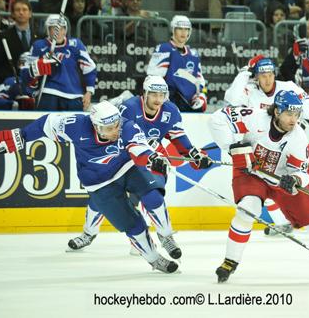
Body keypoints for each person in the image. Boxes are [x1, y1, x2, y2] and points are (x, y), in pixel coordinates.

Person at [0, 100, 180, 273]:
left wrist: (152, 158)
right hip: (99, 182)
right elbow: (47, 123)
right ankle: (154, 259)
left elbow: (139, 149)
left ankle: (166, 235)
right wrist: (22, 135)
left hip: (127, 168)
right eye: (109, 128)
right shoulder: (76, 126)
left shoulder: (127, 126)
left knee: (154, 196)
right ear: (96, 126)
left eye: (116, 125)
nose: (115, 131)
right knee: (132, 225)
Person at [209, 90, 309, 283]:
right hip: (251, 173)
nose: (294, 120)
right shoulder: (254, 118)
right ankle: (230, 261)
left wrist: (295, 180)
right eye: (289, 114)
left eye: (297, 114)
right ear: (277, 111)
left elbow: (303, 172)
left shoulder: (298, 138)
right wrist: (231, 146)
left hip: (281, 179)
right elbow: (216, 119)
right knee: (247, 209)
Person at [67, 76, 213, 257]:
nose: (158, 100)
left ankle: (165, 236)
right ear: (144, 93)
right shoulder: (128, 108)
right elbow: (114, 138)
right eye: (154, 95)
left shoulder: (171, 111)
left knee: (152, 197)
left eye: (162, 95)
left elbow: (178, 137)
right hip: (121, 161)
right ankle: (89, 233)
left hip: (149, 161)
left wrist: (193, 154)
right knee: (101, 198)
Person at [224, 56, 309, 235]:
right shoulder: (250, 90)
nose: (267, 79)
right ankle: (282, 224)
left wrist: (304, 120)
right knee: (265, 182)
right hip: (263, 147)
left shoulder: (288, 87)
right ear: (256, 77)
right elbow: (232, 98)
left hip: (289, 144)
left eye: (270, 74)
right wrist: (245, 71)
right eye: (262, 75)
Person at [22, 13, 96, 111]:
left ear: (66, 30)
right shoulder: (39, 46)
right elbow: (25, 72)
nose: (59, 32)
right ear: (48, 30)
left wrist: (89, 93)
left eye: (62, 29)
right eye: (55, 29)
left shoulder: (75, 44)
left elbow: (90, 67)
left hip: (73, 95)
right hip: (48, 93)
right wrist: (35, 68)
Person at [146, 15, 207, 113]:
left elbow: (199, 82)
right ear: (173, 30)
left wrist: (201, 96)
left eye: (186, 29)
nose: (183, 32)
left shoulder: (194, 54)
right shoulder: (164, 49)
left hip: (190, 103)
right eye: (179, 29)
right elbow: (153, 78)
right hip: (170, 101)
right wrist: (162, 98)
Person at [0, 0, 37, 84]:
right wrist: (9, 81)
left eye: (24, 9)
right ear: (13, 14)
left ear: (30, 13)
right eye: (17, 10)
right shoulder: (3, 36)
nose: (21, 12)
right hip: (12, 83)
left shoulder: (40, 36)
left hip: (36, 83)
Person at [279, 17, 309, 91]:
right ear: (307, 30)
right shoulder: (300, 44)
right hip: (302, 88)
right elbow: (285, 69)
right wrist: (294, 83)